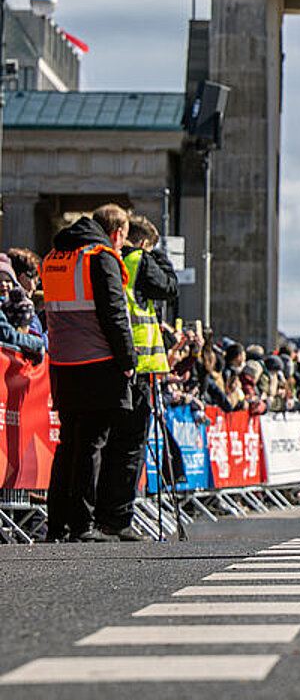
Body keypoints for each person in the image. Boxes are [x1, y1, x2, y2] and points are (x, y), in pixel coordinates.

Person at [41, 205, 136, 543]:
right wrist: (128, 359)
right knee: (92, 444)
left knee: (69, 443)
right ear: (118, 233)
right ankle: (82, 524)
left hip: (62, 364)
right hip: (98, 363)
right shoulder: (100, 257)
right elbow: (114, 313)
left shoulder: (54, 257)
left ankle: (57, 525)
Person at [96, 214, 177, 540]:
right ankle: (118, 518)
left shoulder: (109, 259)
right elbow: (168, 288)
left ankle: (100, 515)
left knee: (107, 443)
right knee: (130, 447)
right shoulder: (139, 258)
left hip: (109, 361)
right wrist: (160, 257)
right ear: (143, 241)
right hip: (139, 367)